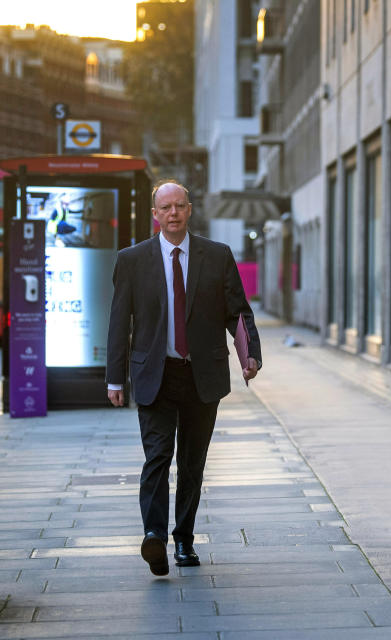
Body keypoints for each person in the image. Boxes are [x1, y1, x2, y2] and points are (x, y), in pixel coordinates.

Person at [106, 180, 262, 576]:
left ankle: (185, 541)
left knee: (192, 463)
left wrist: (250, 355)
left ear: (189, 210)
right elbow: (118, 322)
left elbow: (238, 312)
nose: (173, 213)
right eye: (165, 208)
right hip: (154, 375)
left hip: (201, 375)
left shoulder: (217, 256)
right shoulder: (132, 260)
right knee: (157, 457)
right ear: (155, 215)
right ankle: (154, 535)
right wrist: (114, 379)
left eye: (179, 206)